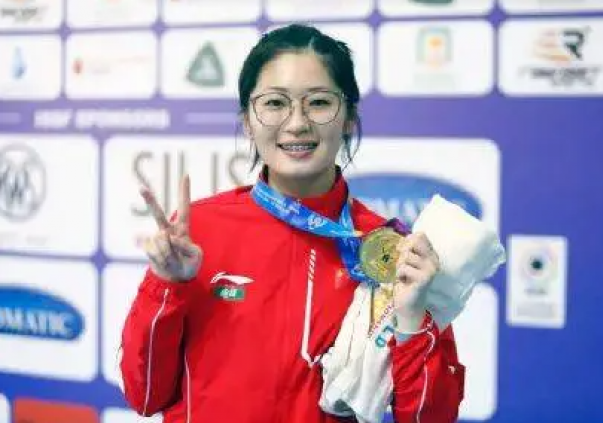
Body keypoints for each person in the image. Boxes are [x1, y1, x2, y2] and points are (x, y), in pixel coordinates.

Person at [119, 23, 465, 423]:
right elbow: (145, 395)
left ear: (348, 117)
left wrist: (411, 318)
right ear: (248, 120)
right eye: (274, 103)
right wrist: (167, 286)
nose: (297, 122)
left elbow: (430, 418)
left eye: (318, 102)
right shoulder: (199, 232)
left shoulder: (388, 251)